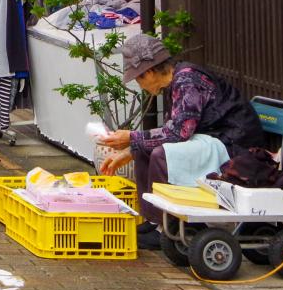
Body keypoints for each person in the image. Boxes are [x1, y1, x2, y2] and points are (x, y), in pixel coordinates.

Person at [98, 34, 267, 247]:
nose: (140, 85)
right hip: (214, 139)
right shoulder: (178, 80)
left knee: (162, 154)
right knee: (144, 150)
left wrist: (131, 137)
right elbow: (173, 130)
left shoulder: (188, 80)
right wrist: (130, 150)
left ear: (149, 72)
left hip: (234, 145)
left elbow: (178, 133)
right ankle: (153, 220)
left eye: (139, 78)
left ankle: (163, 226)